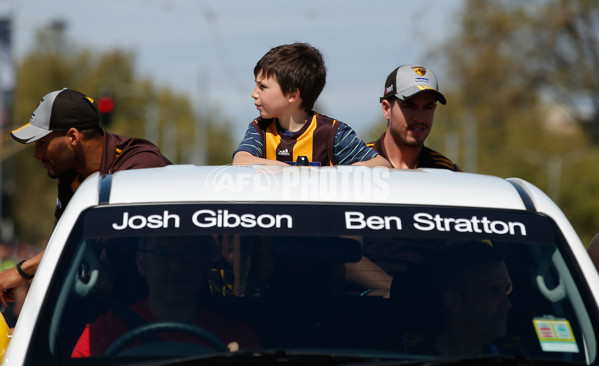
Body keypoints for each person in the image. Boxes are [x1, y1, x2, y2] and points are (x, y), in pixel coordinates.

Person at [0, 88, 171, 307]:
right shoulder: (70, 175)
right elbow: (64, 247)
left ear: (73, 137)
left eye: (42, 143)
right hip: (116, 309)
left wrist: (23, 270)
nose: (37, 155)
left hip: (166, 312)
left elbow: (91, 236)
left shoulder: (139, 166)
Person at [72, 235, 260, 356]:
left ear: (205, 262)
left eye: (189, 252)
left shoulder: (236, 337)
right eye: (163, 253)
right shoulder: (103, 334)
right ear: (142, 263)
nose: (177, 266)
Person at [232, 42, 390, 167]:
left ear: (292, 95)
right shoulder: (259, 129)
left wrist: (337, 174)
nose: (254, 93)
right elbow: (240, 160)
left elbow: (381, 164)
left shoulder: (334, 134)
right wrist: (286, 171)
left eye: (263, 87)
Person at [394, 242, 513, 357]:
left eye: (506, 290)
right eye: (493, 292)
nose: (507, 304)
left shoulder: (520, 354)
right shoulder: (399, 356)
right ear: (454, 301)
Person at [368, 64, 461, 170]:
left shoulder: (447, 171)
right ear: (386, 109)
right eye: (409, 106)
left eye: (427, 107)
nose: (419, 118)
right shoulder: (357, 161)